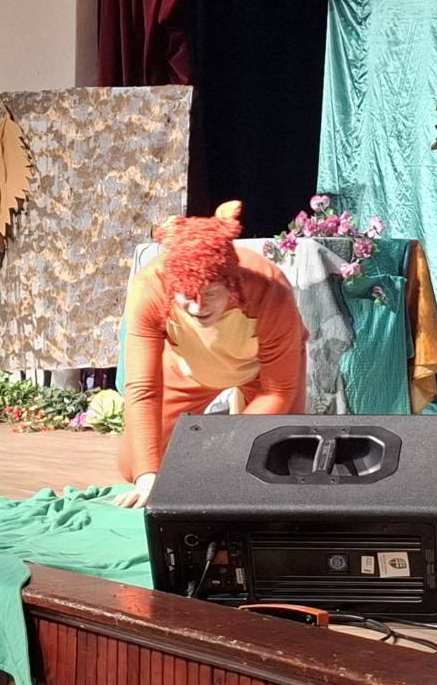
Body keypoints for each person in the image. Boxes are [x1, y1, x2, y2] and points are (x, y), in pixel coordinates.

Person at [113, 201, 307, 506]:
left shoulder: (270, 288)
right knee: (135, 464)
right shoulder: (151, 287)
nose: (198, 307)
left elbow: (278, 390)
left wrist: (227, 449)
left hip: (262, 377)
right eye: (187, 296)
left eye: (211, 294)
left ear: (232, 284)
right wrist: (148, 476)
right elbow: (142, 388)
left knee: (282, 465)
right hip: (190, 369)